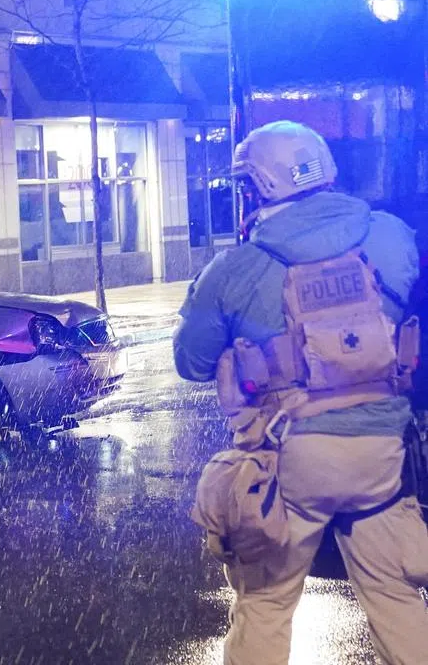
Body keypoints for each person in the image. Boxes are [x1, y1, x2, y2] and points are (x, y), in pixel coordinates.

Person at [174, 121, 428, 664]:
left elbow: (191, 361)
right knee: (394, 595)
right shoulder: (389, 235)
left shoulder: (236, 268)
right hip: (384, 454)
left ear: (262, 187)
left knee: (265, 604)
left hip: (289, 459)